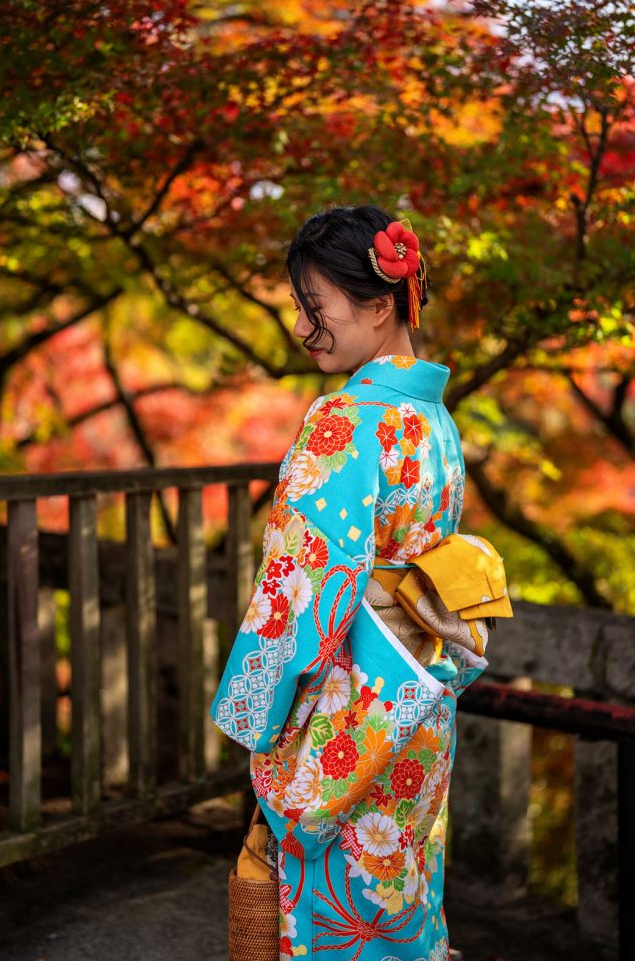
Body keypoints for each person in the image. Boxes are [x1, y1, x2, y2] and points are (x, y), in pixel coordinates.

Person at [211, 204, 495, 961]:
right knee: (400, 890)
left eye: (316, 307)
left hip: (347, 705)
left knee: (336, 901)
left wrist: (255, 708)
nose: (303, 328)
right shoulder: (434, 418)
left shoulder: (345, 417)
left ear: (377, 305)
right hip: (418, 693)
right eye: (299, 308)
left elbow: (301, 583)